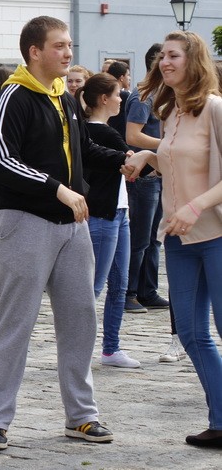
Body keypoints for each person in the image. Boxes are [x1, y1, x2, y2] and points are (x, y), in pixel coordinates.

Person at [0, 16, 150, 451]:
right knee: (15, 322)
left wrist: (122, 159)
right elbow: (2, 160)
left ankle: (81, 417)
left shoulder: (64, 97)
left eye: (69, 44)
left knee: (80, 320)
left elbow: (81, 149)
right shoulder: (13, 97)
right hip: (24, 222)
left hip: (71, 227)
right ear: (35, 51)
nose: (69, 53)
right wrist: (57, 189)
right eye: (60, 46)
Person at [125, 30, 222, 448]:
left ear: (193, 61)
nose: (164, 63)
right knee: (190, 332)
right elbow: (177, 159)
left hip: (216, 233)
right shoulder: (171, 113)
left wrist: (195, 206)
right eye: (162, 56)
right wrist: (150, 156)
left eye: (173, 56)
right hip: (180, 239)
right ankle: (220, 420)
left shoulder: (215, 109)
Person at [76, 73, 139, 369]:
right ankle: (80, 349)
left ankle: (110, 349)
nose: (121, 98)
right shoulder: (102, 133)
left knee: (118, 284)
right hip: (104, 216)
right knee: (97, 287)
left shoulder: (97, 130)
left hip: (118, 213)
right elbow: (134, 166)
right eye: (117, 94)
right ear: (104, 99)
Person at [123, 44, 170, 315]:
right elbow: (133, 136)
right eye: (166, 58)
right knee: (140, 239)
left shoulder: (164, 94)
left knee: (154, 238)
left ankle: (147, 291)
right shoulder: (145, 95)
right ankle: (129, 292)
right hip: (144, 176)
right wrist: (168, 144)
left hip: (158, 173)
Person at [105, 61, 131, 138]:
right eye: (128, 75)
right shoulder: (125, 96)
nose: (129, 78)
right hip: (120, 137)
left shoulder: (105, 93)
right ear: (122, 78)